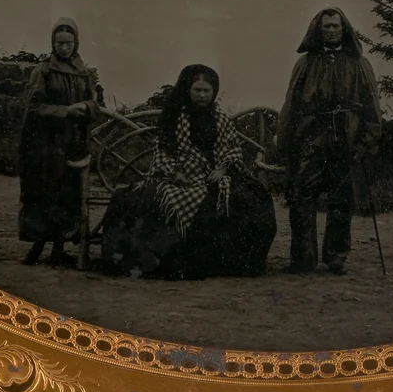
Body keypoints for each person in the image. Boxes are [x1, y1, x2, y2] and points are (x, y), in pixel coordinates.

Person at [100, 64, 276, 279]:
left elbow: (232, 148)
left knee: (249, 200)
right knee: (156, 199)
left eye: (207, 91)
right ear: (187, 90)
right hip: (178, 175)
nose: (202, 95)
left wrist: (222, 169)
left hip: (213, 174)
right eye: (197, 90)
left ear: (214, 92)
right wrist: (174, 172)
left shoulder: (220, 118)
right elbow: (162, 151)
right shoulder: (174, 117)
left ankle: (226, 263)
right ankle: (170, 262)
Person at [277, 7, 382, 275]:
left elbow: (371, 107)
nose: (332, 30)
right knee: (301, 197)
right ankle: (303, 259)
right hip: (311, 139)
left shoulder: (359, 64)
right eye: (326, 26)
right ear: (318, 30)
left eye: (336, 26)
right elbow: (291, 104)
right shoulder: (305, 63)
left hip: (346, 140)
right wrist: (286, 142)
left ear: (344, 29)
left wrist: (367, 143)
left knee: (342, 199)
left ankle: (336, 259)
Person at [18, 17, 104, 267]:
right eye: (60, 43)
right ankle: (37, 246)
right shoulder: (44, 71)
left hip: (74, 143)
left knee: (69, 194)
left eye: (69, 43)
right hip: (47, 145)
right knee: (45, 193)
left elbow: (94, 103)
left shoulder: (83, 72)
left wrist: (86, 106)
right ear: (53, 43)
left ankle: (59, 247)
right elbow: (34, 108)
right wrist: (65, 111)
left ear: (76, 43)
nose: (64, 48)